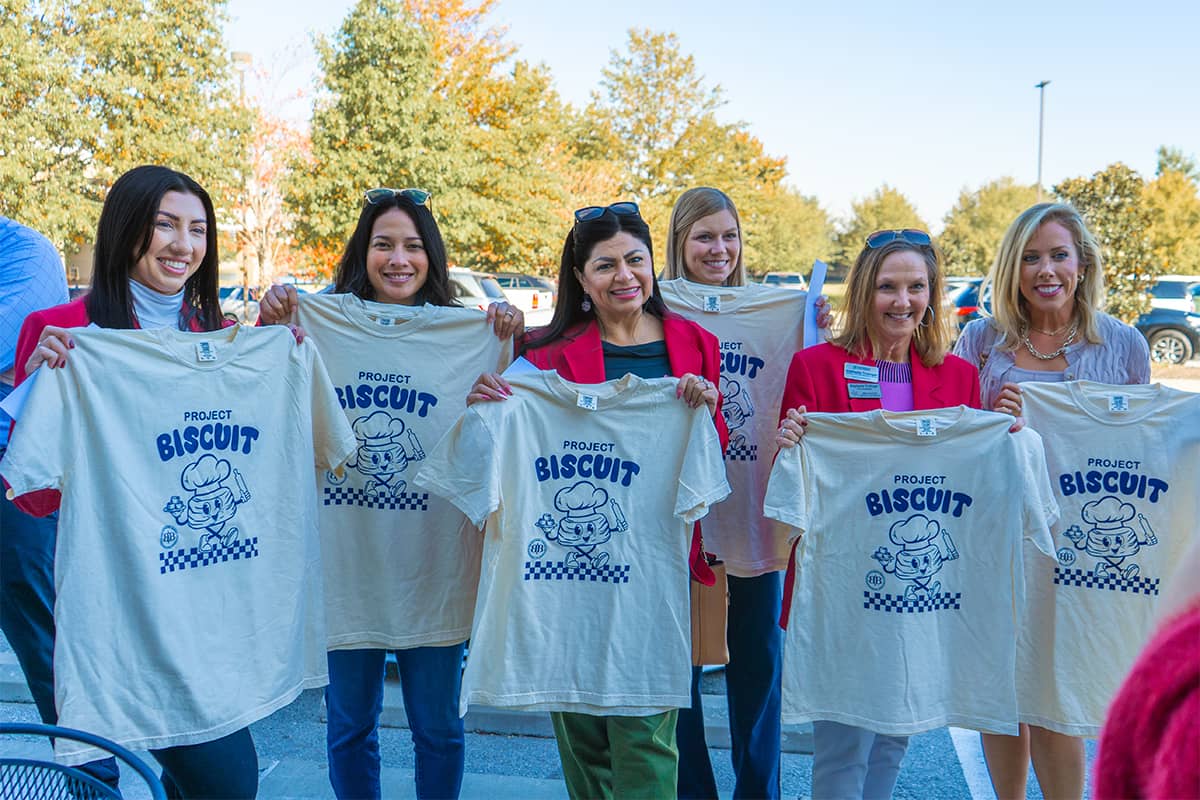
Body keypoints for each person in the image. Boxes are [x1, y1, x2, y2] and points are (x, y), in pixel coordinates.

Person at [257, 187, 521, 800]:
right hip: (344, 565)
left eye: (412, 246)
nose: (398, 258)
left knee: (439, 728)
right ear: (362, 251)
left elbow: (515, 422)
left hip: (435, 564)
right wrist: (275, 320)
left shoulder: (474, 332)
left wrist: (507, 339)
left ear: (432, 256)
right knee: (349, 726)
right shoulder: (314, 322)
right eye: (383, 244)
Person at [13, 165, 258, 799]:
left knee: (226, 784)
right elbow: (37, 498)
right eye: (165, 225)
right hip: (111, 611)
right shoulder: (63, 331)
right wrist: (37, 395)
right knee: (139, 778)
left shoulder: (218, 341)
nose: (184, 245)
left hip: (199, 611)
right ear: (125, 232)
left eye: (198, 229)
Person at [468, 201, 728, 798]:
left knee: (645, 735)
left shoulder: (696, 343)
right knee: (582, 735)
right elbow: (513, 446)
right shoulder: (544, 351)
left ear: (653, 267)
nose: (625, 276)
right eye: (605, 265)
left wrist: (706, 413)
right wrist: (488, 400)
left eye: (636, 260)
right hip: (565, 580)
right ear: (581, 279)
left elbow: (710, 458)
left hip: (652, 568)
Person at [953, 202, 1150, 800]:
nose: (1046, 270)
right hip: (999, 539)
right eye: (1031, 257)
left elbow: (1140, 445)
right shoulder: (981, 340)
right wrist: (990, 421)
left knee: (1060, 688)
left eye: (1059, 255)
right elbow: (957, 436)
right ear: (1012, 268)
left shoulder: (1123, 345)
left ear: (1082, 263)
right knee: (1004, 687)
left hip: (1082, 548)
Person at [777, 229, 980, 800]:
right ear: (865, 292)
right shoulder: (814, 367)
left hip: (919, 586)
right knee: (843, 742)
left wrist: (1005, 432)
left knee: (898, 730)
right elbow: (792, 479)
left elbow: (969, 476)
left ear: (932, 294)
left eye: (916, 287)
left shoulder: (959, 379)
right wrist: (789, 441)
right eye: (888, 287)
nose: (902, 301)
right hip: (840, 580)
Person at [658, 186, 803, 799]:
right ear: (679, 244)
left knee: (760, 668)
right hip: (677, 509)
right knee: (677, 668)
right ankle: (694, 791)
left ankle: (757, 791)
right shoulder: (655, 305)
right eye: (704, 236)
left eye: (729, 235)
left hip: (753, 507)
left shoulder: (780, 310)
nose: (719, 249)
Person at [0, 217, 123, 788]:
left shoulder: (26, 251)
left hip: (12, 483)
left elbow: (7, 344)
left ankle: (92, 774)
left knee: (50, 641)